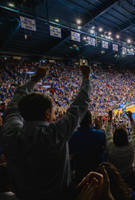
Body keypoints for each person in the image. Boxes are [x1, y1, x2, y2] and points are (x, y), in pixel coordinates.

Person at [0, 65, 91, 199]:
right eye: (53, 111)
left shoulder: (11, 133)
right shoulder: (55, 133)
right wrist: (86, 78)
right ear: (47, 113)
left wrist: (35, 79)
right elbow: (80, 105)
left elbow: (13, 107)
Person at [69, 110, 106, 183]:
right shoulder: (100, 134)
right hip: (97, 172)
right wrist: (99, 128)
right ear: (91, 121)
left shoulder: (73, 136)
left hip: (80, 172)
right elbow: (104, 149)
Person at [105, 110, 135, 185]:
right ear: (126, 137)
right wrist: (131, 118)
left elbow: (107, 133)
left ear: (114, 137)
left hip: (113, 177)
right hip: (129, 177)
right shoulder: (131, 147)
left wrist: (110, 119)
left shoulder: (110, 146)